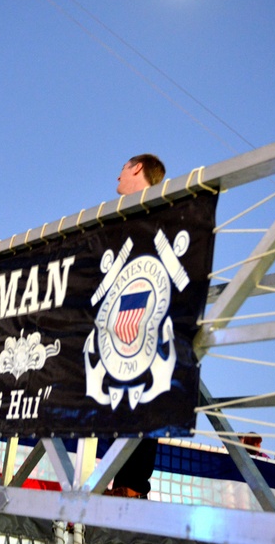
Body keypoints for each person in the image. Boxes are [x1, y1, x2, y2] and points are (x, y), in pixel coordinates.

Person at [105, 154, 166, 499]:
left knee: (143, 397)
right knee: (116, 400)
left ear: (137, 169)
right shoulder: (122, 215)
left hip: (144, 312)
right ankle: (116, 482)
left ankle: (132, 486)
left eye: (123, 166)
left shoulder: (158, 207)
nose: (118, 173)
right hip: (117, 317)